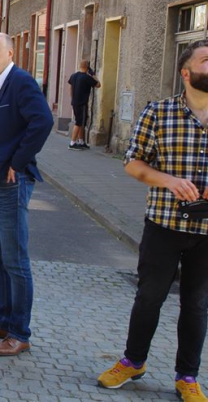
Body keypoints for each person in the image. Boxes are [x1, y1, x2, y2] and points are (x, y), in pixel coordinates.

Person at [97, 39, 208, 401]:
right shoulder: (159, 113)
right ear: (186, 72)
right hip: (163, 224)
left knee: (196, 305)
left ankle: (187, 377)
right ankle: (133, 361)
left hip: (207, 232)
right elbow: (132, 162)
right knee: (148, 298)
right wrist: (170, 181)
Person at [0, 32, 53, 356]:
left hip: (10, 184)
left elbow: (42, 122)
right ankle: (2, 320)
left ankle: (20, 332)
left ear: (10, 52)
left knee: (15, 260)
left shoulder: (20, 81)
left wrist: (17, 161)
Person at [67, 60, 101, 150]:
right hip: (82, 103)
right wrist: (93, 75)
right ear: (87, 67)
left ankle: (81, 141)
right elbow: (98, 85)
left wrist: (72, 98)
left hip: (75, 102)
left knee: (82, 122)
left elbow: (70, 87)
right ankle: (72, 143)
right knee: (79, 122)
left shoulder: (73, 76)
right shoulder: (87, 78)